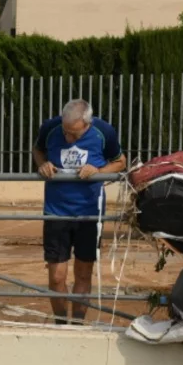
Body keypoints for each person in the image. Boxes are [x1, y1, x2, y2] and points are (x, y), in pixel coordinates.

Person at [33, 99, 126, 325]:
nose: (67, 138)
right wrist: (42, 164)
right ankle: (61, 323)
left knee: (83, 274)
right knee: (57, 277)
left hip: (89, 213)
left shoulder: (104, 132)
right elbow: (38, 150)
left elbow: (120, 162)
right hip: (56, 211)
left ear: (87, 124)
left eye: (74, 135)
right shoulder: (50, 128)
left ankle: (77, 324)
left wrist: (99, 170)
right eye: (65, 132)